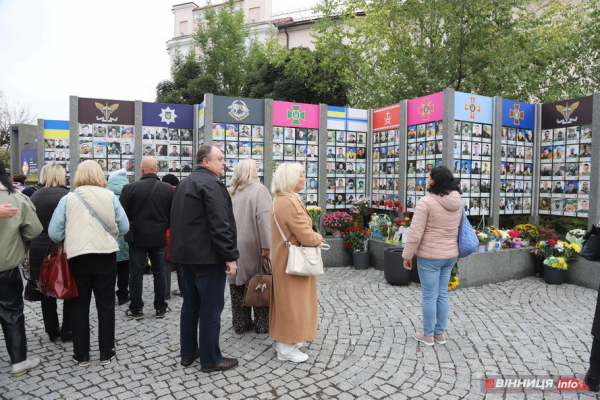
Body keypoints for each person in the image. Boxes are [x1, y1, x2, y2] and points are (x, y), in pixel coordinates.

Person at [49, 160, 129, 366]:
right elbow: (125, 226)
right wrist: (113, 234)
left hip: (78, 256)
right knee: (106, 304)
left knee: (78, 305)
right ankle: (106, 352)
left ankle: (81, 354)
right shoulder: (110, 196)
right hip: (105, 254)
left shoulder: (69, 198)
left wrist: (72, 234)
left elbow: (54, 232)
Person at [170, 145, 239, 372]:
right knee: (210, 308)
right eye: (219, 159)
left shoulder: (185, 182)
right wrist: (230, 256)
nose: (223, 163)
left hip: (186, 256)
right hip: (207, 258)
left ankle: (188, 353)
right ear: (206, 161)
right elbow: (220, 225)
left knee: (191, 305)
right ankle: (210, 359)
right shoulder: (211, 184)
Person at [270, 162, 324, 362]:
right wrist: (319, 239)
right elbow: (307, 236)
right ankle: (286, 349)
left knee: (288, 302)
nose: (304, 178)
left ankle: (290, 341)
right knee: (292, 303)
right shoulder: (290, 202)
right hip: (292, 261)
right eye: (301, 175)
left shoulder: (280, 199)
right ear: (291, 179)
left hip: (284, 257)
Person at [402, 166, 462, 346]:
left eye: (429, 177)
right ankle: (440, 334)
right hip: (450, 254)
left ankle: (427, 335)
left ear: (434, 180)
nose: (427, 179)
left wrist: (407, 255)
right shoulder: (458, 201)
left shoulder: (426, 202)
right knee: (442, 294)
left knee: (429, 295)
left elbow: (415, 232)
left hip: (430, 256)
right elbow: (459, 229)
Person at [0, 160, 43, 376]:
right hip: (5, 267)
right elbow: (33, 231)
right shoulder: (16, 197)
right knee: (11, 313)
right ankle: (18, 361)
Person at [120, 158, 173, 320]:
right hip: (159, 236)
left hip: (137, 238)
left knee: (135, 273)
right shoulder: (168, 189)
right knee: (159, 272)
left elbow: (122, 215)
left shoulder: (130, 188)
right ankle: (160, 307)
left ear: (142, 170)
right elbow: (173, 215)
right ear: (156, 169)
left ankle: (136, 309)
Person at [29, 163, 73, 343]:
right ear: (61, 176)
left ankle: (52, 329)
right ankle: (68, 330)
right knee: (69, 287)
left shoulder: (34, 196)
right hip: (62, 247)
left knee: (45, 289)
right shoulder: (67, 196)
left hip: (38, 247)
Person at [227, 159, 272, 334]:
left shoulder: (231, 191)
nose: (258, 171)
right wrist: (267, 245)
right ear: (248, 171)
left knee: (237, 283)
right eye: (255, 168)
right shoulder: (259, 189)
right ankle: (262, 324)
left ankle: (240, 323)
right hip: (253, 243)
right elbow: (264, 219)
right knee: (259, 282)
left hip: (234, 244)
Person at [107, 169, 131, 306]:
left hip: (110, 239)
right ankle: (122, 294)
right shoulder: (131, 191)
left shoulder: (105, 193)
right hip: (126, 237)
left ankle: (108, 295)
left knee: (110, 269)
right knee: (124, 268)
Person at [161, 174, 184, 300]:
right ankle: (184, 290)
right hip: (181, 233)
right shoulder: (182, 194)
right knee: (181, 264)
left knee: (166, 264)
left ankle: (166, 293)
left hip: (166, 232)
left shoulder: (162, 194)